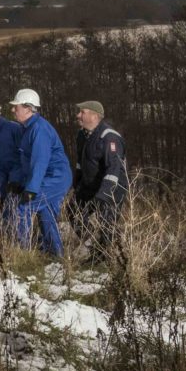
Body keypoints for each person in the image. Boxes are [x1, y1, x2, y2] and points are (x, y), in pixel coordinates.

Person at [7, 88, 73, 256]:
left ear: (29, 108)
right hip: (51, 177)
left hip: (54, 178)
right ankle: (56, 254)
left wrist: (31, 189)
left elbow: (40, 161)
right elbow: (26, 162)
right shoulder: (28, 128)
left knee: (23, 208)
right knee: (46, 214)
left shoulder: (39, 129)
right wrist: (19, 182)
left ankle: (22, 254)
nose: (13, 110)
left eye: (17, 107)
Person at [71, 100, 129, 262]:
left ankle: (103, 257)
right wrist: (77, 184)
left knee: (107, 223)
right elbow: (81, 163)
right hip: (90, 186)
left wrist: (104, 194)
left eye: (82, 112)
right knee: (73, 212)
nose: (78, 115)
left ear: (95, 116)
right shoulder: (82, 135)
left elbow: (113, 169)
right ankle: (91, 242)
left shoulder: (110, 137)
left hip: (111, 188)